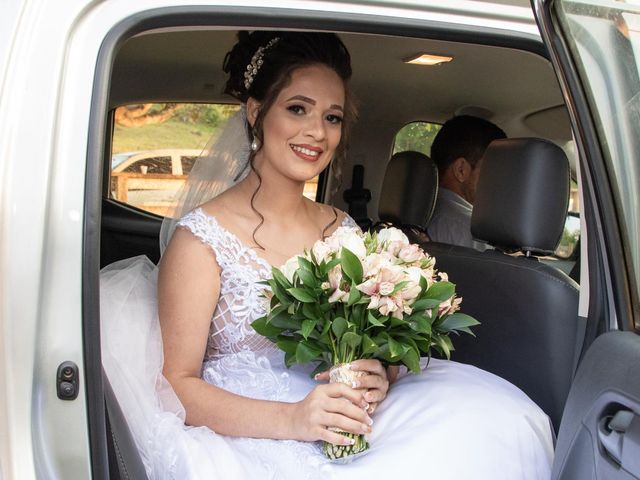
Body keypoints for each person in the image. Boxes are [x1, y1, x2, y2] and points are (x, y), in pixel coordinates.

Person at [100, 31, 554, 479]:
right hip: (246, 430)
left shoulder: (344, 230)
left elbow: (370, 339)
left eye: (332, 118)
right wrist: (293, 419)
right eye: (298, 109)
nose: (317, 132)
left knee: (496, 425)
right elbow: (176, 386)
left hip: (348, 415)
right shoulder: (201, 240)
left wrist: (384, 371)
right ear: (257, 112)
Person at [427, 115, 506, 250]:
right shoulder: (473, 233)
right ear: (461, 170)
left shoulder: (421, 215)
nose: (500, 181)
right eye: (494, 170)